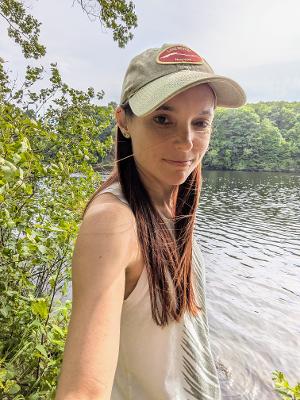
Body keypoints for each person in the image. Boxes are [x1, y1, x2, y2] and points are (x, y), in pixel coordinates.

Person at [54, 43, 246, 400]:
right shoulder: (113, 222)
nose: (186, 141)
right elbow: (82, 391)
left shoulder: (171, 207)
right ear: (124, 122)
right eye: (162, 118)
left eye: (200, 122)